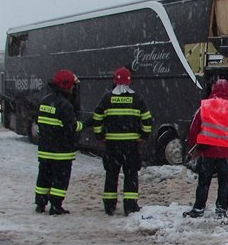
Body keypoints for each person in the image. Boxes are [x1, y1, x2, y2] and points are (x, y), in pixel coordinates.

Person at [92, 67, 153, 216]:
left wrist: (100, 136)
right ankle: (130, 206)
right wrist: (143, 137)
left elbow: (97, 119)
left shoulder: (106, 99)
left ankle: (109, 205)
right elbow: (147, 120)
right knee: (131, 175)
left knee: (111, 175)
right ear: (130, 81)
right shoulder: (137, 99)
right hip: (131, 146)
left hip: (112, 145)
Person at [184, 78, 228, 219]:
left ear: (214, 90)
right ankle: (221, 209)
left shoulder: (204, 107)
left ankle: (199, 208)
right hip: (225, 155)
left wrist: (193, 147)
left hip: (206, 153)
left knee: (204, 182)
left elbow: (193, 129)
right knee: (224, 183)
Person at [34, 70, 84, 215]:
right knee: (60, 180)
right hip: (61, 152)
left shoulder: (44, 100)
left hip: (45, 150)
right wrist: (87, 124)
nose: (74, 88)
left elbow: (39, 122)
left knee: (43, 177)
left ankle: (40, 203)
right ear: (67, 86)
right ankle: (56, 206)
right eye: (73, 86)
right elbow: (72, 127)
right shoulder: (65, 105)